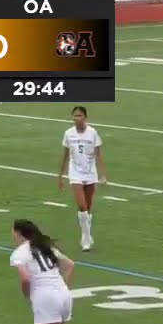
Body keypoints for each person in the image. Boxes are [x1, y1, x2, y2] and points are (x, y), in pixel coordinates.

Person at [58, 106, 106, 252]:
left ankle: (87, 235)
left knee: (88, 206)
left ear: (85, 117)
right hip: (75, 173)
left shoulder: (93, 133)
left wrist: (103, 174)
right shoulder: (68, 134)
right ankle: (85, 239)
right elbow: (65, 155)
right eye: (75, 116)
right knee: (82, 206)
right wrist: (60, 176)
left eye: (79, 116)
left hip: (90, 172)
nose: (77, 118)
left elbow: (99, 155)